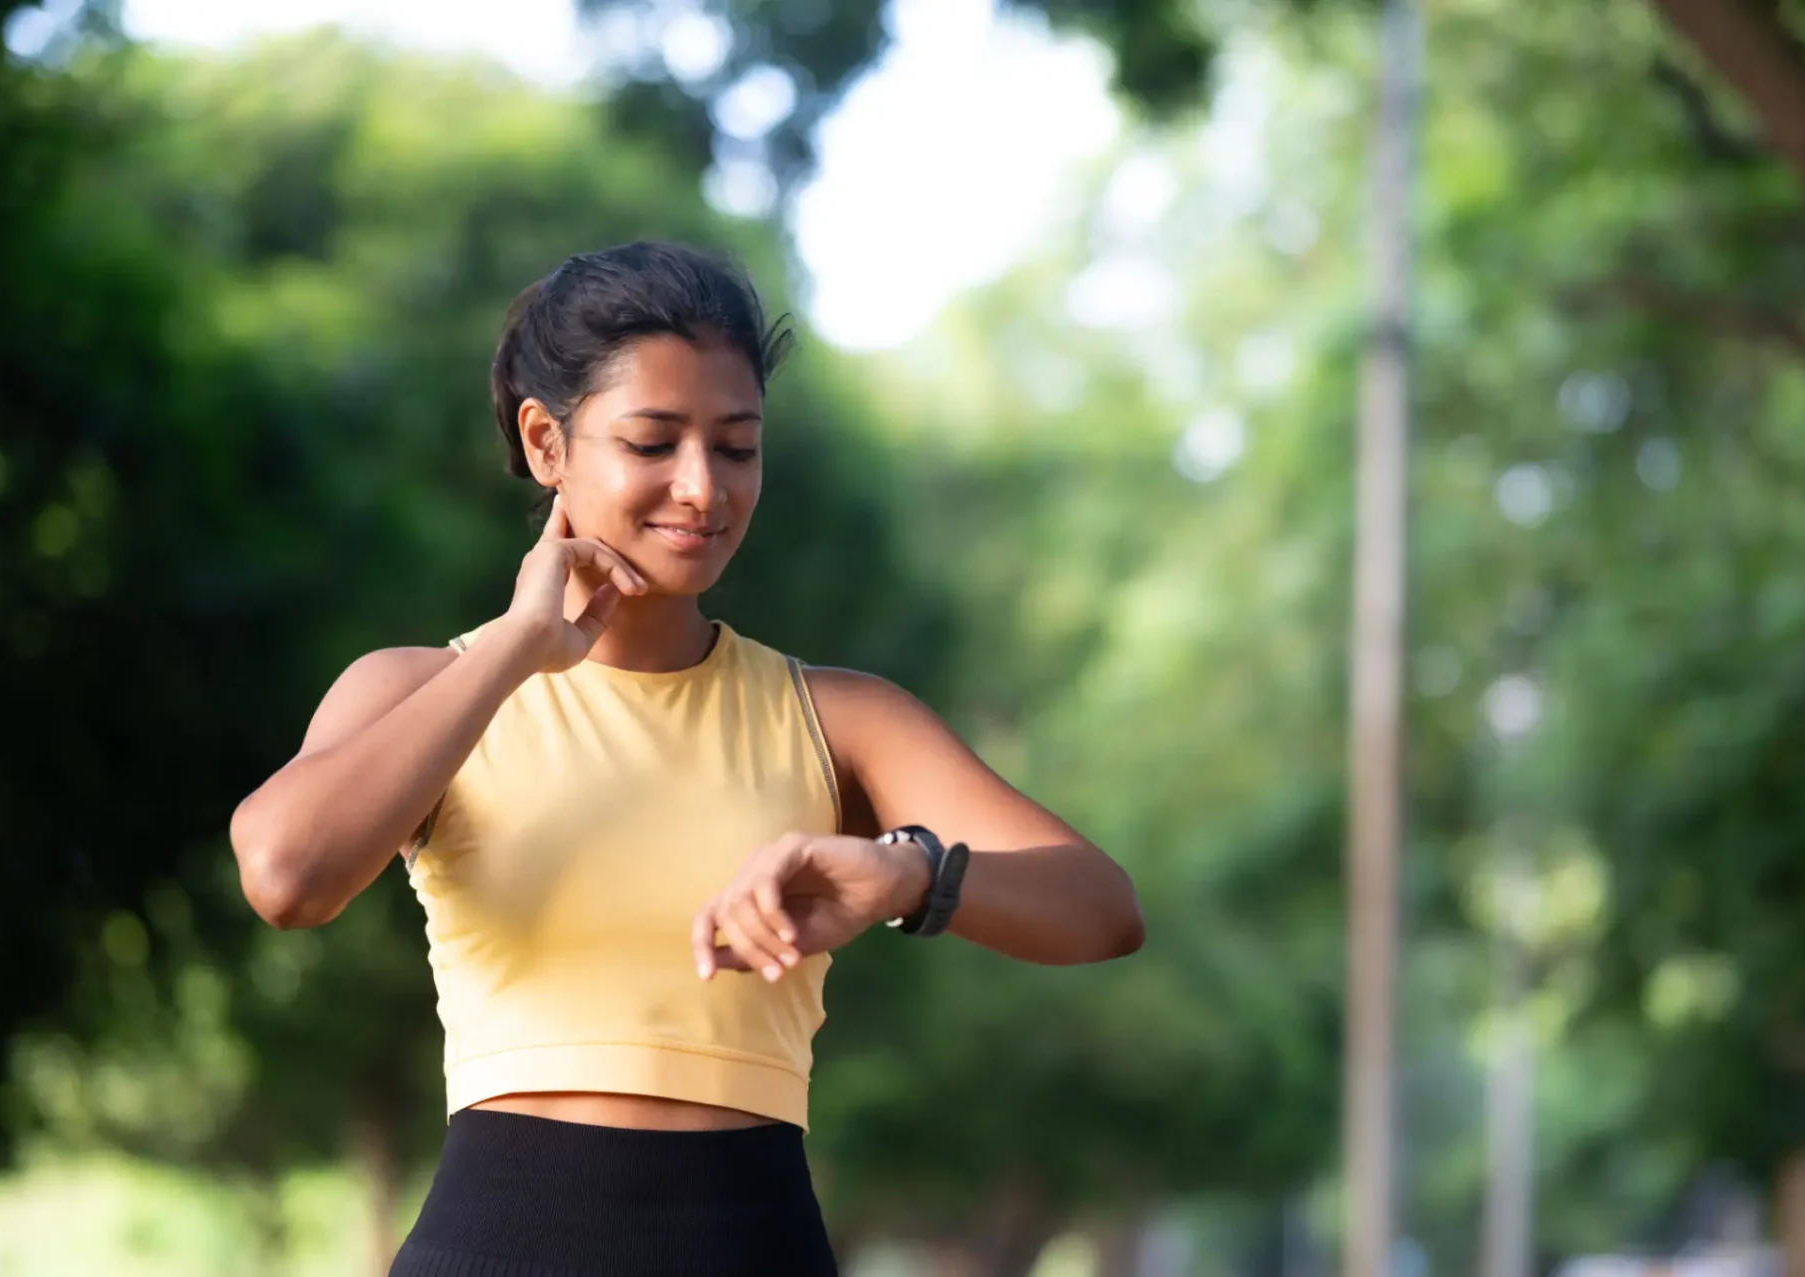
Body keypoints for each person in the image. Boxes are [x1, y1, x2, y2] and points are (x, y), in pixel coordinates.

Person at [228, 240, 1146, 1277]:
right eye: (654, 441)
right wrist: (521, 648)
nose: (703, 487)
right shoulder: (418, 692)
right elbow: (285, 874)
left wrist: (907, 871)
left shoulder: (839, 718)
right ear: (546, 441)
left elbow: (1100, 906)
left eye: (738, 447)